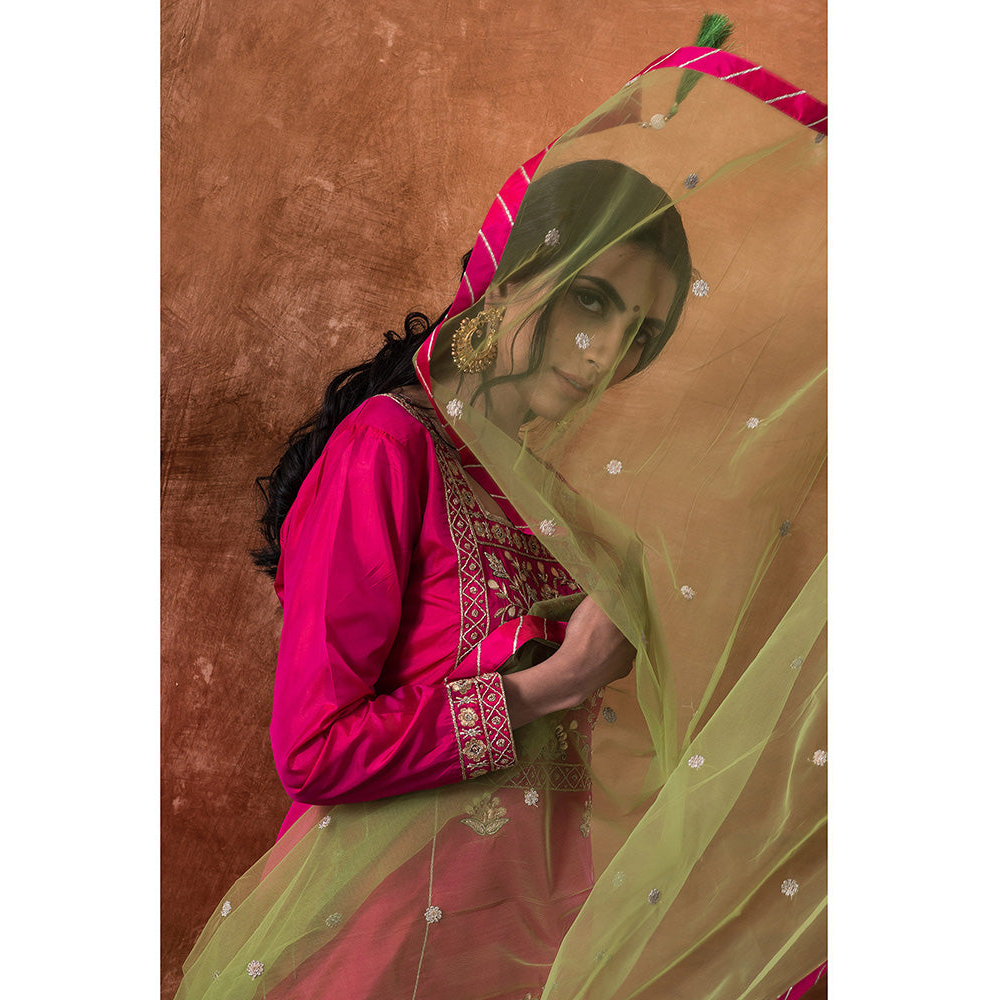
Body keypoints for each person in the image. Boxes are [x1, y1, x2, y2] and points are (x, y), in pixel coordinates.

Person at [177, 31, 827, 1000]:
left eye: (640, 331)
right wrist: (555, 680)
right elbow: (313, 751)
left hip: (536, 938)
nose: (605, 351)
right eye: (592, 302)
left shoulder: (560, 505)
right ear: (517, 280)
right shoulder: (389, 445)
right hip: (388, 934)